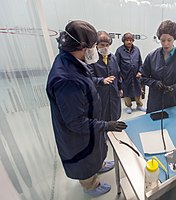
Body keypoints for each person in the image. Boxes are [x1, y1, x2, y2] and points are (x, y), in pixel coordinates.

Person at [46, 20, 127, 197]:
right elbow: (76, 123)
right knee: (85, 160)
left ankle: (98, 165)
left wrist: (99, 82)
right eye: (93, 46)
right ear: (82, 46)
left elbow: (86, 81)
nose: (95, 49)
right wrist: (106, 125)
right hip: (79, 135)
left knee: (96, 152)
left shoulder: (71, 61)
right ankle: (90, 185)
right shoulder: (66, 80)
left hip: (91, 124)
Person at [141, 20, 176, 113]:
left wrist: (173, 89)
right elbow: (142, 77)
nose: (166, 44)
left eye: (169, 40)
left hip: (171, 102)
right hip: (154, 101)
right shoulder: (151, 56)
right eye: (162, 40)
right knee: (152, 125)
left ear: (174, 38)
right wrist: (155, 83)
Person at [89, 31, 122, 121]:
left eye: (107, 45)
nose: (105, 48)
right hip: (100, 94)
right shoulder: (91, 59)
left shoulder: (113, 58)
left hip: (114, 93)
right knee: (102, 117)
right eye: (102, 45)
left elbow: (118, 74)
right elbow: (88, 78)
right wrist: (101, 81)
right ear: (96, 45)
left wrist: (120, 88)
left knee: (114, 115)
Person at [115, 32, 146, 114]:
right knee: (126, 91)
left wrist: (140, 71)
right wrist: (119, 76)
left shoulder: (137, 49)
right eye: (127, 40)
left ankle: (139, 105)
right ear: (124, 41)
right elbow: (116, 65)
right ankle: (128, 106)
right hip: (125, 75)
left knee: (138, 91)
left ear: (133, 41)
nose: (129, 42)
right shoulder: (119, 50)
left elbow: (140, 62)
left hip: (136, 76)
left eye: (130, 40)